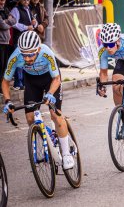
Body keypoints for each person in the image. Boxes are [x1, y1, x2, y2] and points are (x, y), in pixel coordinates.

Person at [2, 31, 75, 169]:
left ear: (38, 49)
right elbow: (5, 81)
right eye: (24, 54)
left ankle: (66, 154)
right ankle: (46, 141)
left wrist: (50, 93)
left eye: (31, 54)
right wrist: (7, 101)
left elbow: (57, 78)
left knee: (55, 114)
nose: (27, 58)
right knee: (30, 119)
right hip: (31, 81)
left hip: (50, 79)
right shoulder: (16, 56)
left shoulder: (46, 52)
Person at [10, 0, 37, 90]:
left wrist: (34, 23)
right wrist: (26, 27)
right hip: (19, 39)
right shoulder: (16, 9)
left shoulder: (28, 9)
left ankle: (25, 82)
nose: (26, 1)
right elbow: (13, 23)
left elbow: (34, 24)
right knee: (19, 61)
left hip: (27, 40)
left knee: (27, 61)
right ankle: (18, 82)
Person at [0, 0, 16, 94]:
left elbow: (14, 20)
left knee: (5, 66)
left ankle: (2, 87)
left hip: (6, 41)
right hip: (0, 42)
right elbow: (3, 25)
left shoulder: (5, 9)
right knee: (0, 65)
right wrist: (7, 21)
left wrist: (7, 21)